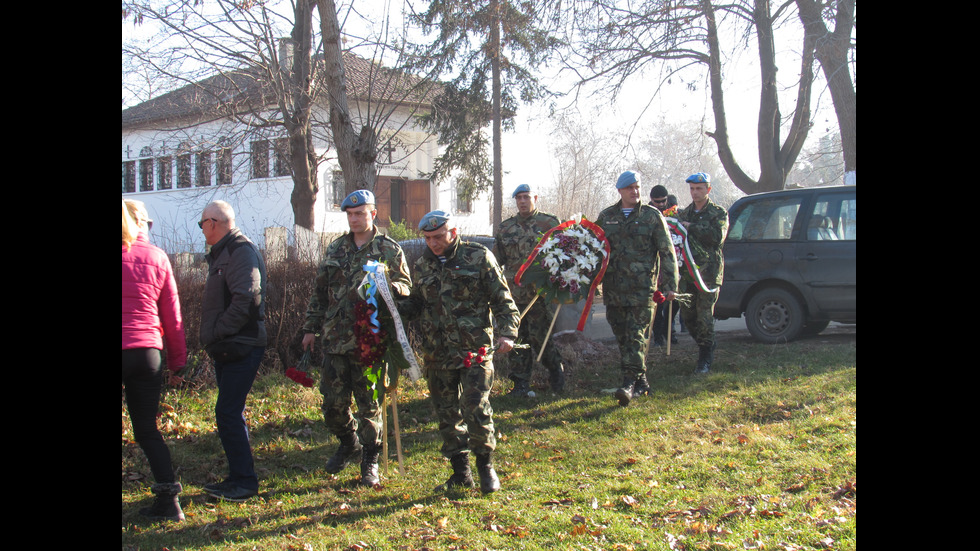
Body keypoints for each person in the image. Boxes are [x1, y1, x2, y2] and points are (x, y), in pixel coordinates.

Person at [398, 210, 520, 494]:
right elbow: (417, 304)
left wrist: (508, 333)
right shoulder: (423, 265)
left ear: (453, 232)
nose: (433, 243)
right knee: (446, 413)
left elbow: (503, 301)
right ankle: (460, 472)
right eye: (427, 238)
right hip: (437, 353)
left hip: (473, 351)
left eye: (438, 237)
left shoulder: (478, 257)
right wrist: (392, 308)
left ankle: (485, 467)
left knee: (475, 408)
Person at [301, 190, 412, 487]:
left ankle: (370, 460)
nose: (354, 218)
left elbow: (405, 286)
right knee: (333, 406)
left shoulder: (389, 249)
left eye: (360, 213)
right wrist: (310, 328)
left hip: (370, 340)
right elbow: (319, 292)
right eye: (350, 214)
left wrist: (388, 285)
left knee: (369, 405)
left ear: (373, 214)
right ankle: (348, 443)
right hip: (336, 339)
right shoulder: (336, 249)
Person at [122, 199, 187, 521]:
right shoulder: (157, 257)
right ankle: (169, 501)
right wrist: (178, 361)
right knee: (147, 430)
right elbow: (172, 316)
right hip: (147, 352)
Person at [198, 200, 268, 501]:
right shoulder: (224, 252)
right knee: (229, 412)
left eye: (202, 223)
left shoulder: (240, 251)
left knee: (226, 412)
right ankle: (238, 477)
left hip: (241, 344)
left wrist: (218, 331)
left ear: (214, 223)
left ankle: (245, 482)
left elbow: (247, 298)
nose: (202, 229)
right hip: (229, 346)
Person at [595, 171, 678, 406]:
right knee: (622, 336)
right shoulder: (607, 216)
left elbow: (667, 251)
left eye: (638, 187)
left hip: (643, 291)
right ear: (620, 191)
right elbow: (593, 247)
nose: (635, 191)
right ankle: (642, 382)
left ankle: (628, 382)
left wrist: (670, 284)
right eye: (629, 187)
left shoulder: (652, 217)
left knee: (636, 336)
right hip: (613, 290)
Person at [493, 183, 566, 396]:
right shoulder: (505, 228)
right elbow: (496, 262)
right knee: (516, 339)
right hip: (513, 296)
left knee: (540, 338)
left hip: (539, 296)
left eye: (526, 197)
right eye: (519, 198)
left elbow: (563, 256)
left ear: (535, 198)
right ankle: (521, 384)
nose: (523, 201)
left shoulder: (550, 223)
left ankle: (555, 371)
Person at [676, 173, 729, 374]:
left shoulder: (718, 213)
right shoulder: (684, 213)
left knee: (704, 316)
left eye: (699, 188)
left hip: (708, 274)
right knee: (688, 315)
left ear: (708, 189)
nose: (695, 192)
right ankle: (707, 344)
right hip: (688, 273)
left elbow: (717, 237)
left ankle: (705, 357)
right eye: (692, 188)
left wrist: (692, 228)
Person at [648, 185, 678, 348]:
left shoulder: (673, 212)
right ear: (652, 200)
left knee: (674, 302)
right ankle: (658, 336)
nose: (660, 204)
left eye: (663, 201)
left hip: (671, 263)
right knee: (658, 304)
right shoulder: (647, 213)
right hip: (655, 266)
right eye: (657, 202)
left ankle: (669, 330)